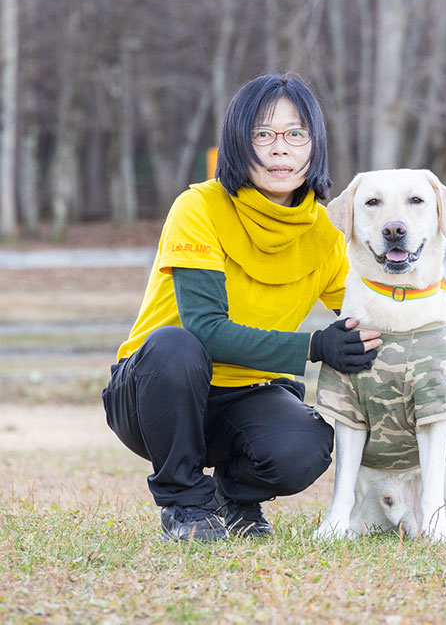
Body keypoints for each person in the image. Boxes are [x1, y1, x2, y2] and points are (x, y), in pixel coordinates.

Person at [102, 73, 382, 543]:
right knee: (175, 345)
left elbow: (370, 306)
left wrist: (433, 307)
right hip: (156, 392)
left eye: (296, 134)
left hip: (247, 394)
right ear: (237, 143)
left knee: (305, 446)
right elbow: (206, 330)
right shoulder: (199, 207)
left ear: (314, 145)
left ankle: (234, 497)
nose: (280, 149)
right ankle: (186, 504)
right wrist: (315, 346)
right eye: (262, 134)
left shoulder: (327, 230)